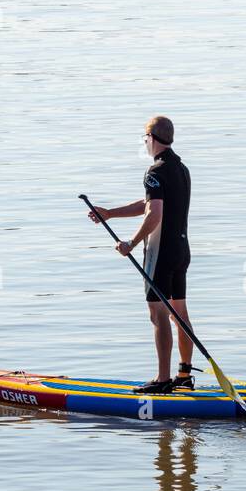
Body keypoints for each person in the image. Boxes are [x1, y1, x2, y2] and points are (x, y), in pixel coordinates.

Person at [87, 116, 196, 393]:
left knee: (158, 316)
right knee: (179, 314)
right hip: (181, 251)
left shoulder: (154, 172)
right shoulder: (180, 168)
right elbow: (150, 203)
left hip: (160, 254)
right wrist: (110, 213)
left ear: (150, 138)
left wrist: (131, 244)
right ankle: (184, 375)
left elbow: (154, 213)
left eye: (144, 139)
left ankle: (162, 380)